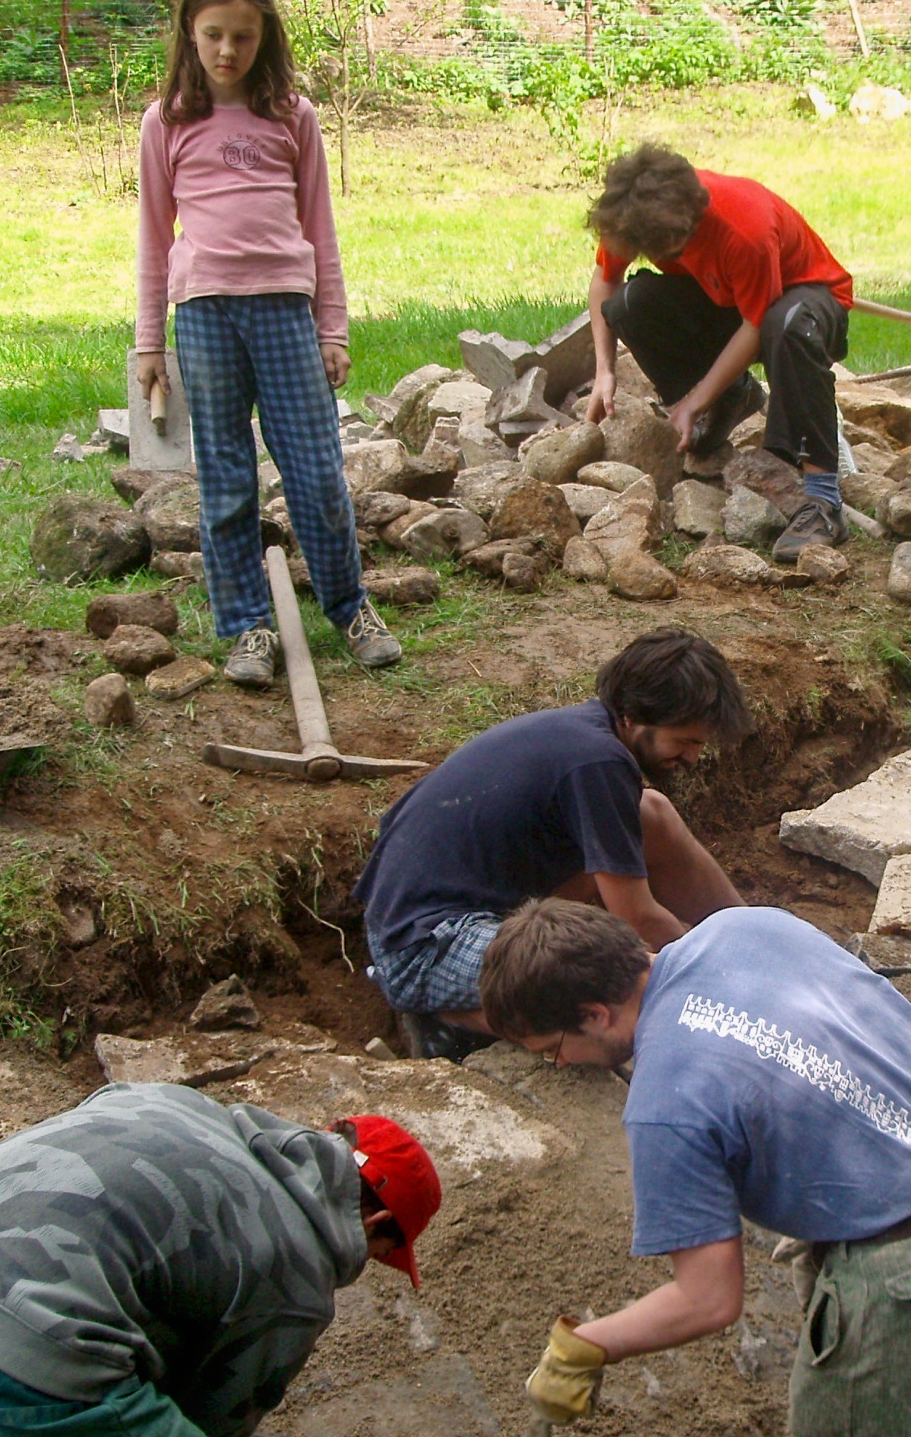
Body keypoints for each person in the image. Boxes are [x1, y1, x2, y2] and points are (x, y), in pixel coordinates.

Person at [481, 899, 911, 1437]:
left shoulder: (665, 1100)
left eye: (553, 1049)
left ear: (595, 1015)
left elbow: (708, 1299)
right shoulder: (746, 926)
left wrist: (584, 1346)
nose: (558, 1063)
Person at [0, 1081, 440, 1437]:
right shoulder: (301, 1270)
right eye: (382, 1255)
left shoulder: (172, 1098)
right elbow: (210, 1421)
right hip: (20, 1365)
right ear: (376, 1223)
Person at [135, 0, 401, 682]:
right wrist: (149, 341)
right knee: (226, 480)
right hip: (205, 316)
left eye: (243, 37)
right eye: (213, 35)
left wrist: (332, 328)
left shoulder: (293, 115)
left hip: (286, 312)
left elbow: (321, 228)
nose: (227, 51)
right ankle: (248, 626)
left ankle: (349, 606)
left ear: (266, 37)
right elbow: (154, 239)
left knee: (315, 472)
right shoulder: (167, 122)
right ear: (190, 34)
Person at [352, 628, 750, 1060]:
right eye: (686, 741)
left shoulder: (586, 737)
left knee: (650, 814)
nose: (693, 757)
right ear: (633, 716)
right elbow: (637, 918)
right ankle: (453, 1018)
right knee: (605, 984)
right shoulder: (598, 762)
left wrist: (751, 959)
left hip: (438, 907)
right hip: (422, 946)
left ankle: (751, 941)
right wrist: (716, 983)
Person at [585, 144, 855, 564]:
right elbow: (606, 280)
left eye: (659, 252)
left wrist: (695, 402)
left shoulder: (744, 229)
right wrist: (604, 370)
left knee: (785, 326)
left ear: (685, 229)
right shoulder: (633, 212)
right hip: (731, 301)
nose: (651, 257)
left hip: (807, 302)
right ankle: (733, 397)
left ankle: (823, 502)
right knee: (630, 304)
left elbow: (755, 326)